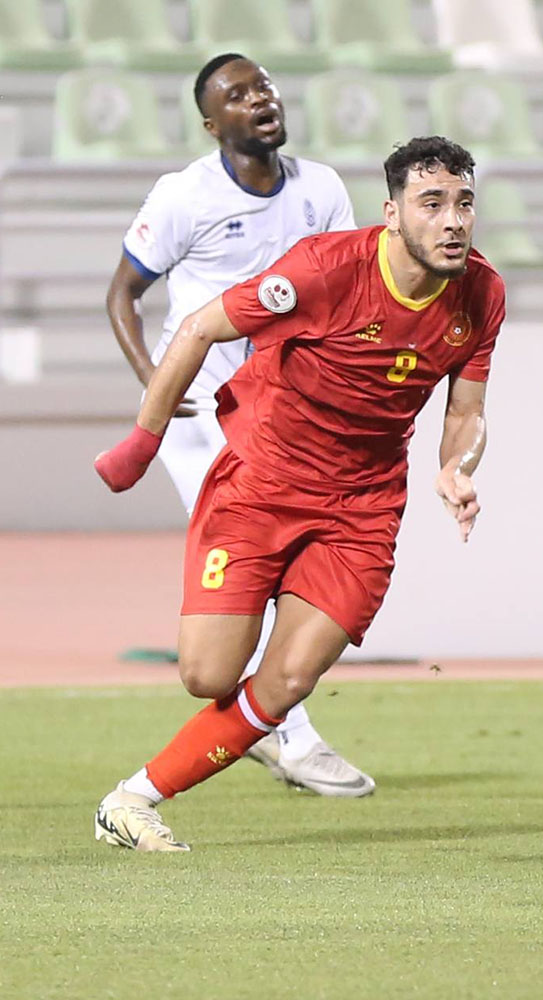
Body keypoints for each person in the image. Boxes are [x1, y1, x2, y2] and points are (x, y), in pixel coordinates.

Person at [93, 135, 506, 852]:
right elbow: (198, 327)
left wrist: (456, 467)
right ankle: (238, 723)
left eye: (464, 203)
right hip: (263, 482)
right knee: (207, 674)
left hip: (362, 508)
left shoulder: (482, 293)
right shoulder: (325, 270)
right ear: (392, 213)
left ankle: (132, 800)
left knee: (285, 683)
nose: (453, 221)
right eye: (432, 202)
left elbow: (465, 410)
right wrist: (144, 438)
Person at [105, 52, 374, 797]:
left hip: (281, 415)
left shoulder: (321, 188)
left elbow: (345, 289)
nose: (260, 98)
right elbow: (122, 294)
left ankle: (267, 722)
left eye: (264, 85)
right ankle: (292, 736)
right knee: (254, 561)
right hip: (199, 411)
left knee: (288, 566)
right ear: (211, 123)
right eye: (238, 94)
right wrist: (153, 384)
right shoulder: (184, 196)